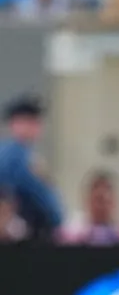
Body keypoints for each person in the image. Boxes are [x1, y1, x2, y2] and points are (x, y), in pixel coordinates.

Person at [0, 95, 62, 241]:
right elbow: (6, 197)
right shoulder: (13, 156)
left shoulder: (28, 155)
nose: (37, 126)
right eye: (30, 121)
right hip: (23, 235)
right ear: (15, 123)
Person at [58, 170, 119, 246]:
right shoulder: (71, 236)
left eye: (106, 200)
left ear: (115, 200)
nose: (102, 206)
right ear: (87, 200)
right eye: (98, 199)